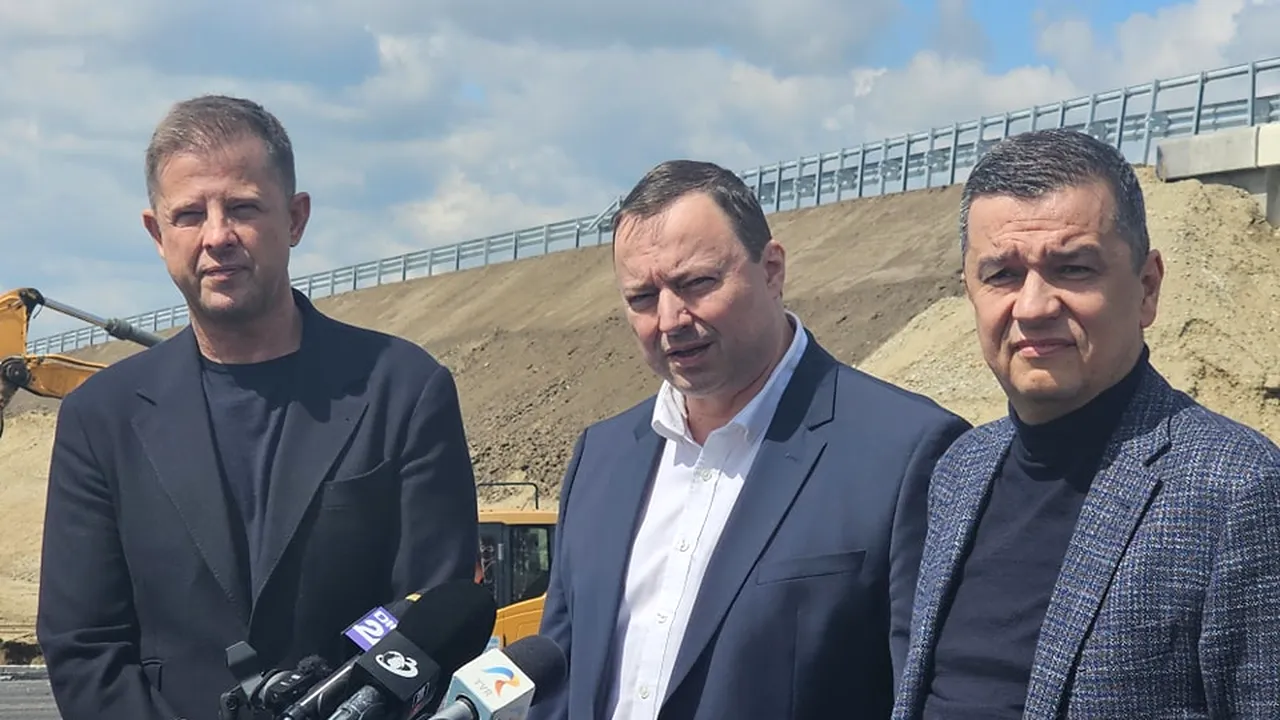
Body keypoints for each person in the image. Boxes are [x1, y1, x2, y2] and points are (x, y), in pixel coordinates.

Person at [36, 95, 481, 720]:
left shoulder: (403, 390)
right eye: (190, 214)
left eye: (243, 207)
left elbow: (431, 615)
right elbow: (84, 646)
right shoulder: (100, 419)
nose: (217, 236)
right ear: (157, 233)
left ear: (295, 218)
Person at [529, 159, 972, 720]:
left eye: (696, 284)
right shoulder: (601, 457)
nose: (669, 318)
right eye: (642, 297)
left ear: (772, 270)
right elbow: (558, 680)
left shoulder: (908, 452)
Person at [892, 128, 1280, 719]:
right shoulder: (959, 471)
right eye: (1002, 274)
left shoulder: (1238, 489)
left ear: (1147, 288)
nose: (1033, 306)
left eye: (1073, 268)